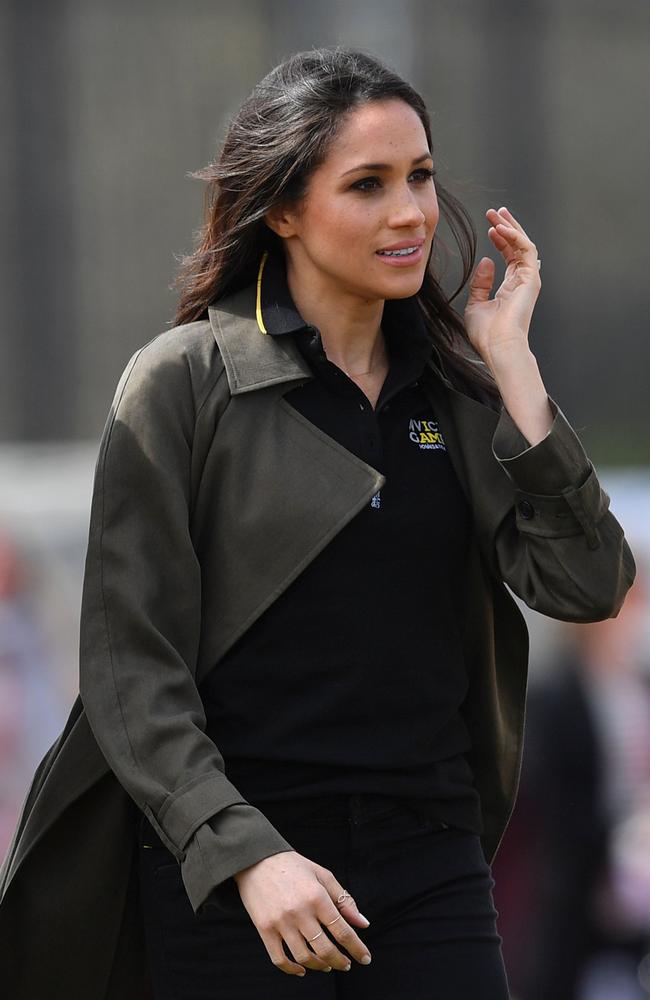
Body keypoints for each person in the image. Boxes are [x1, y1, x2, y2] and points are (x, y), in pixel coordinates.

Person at [0, 47, 635, 1000]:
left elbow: (588, 586)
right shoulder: (181, 383)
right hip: (237, 870)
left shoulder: (458, 385)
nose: (411, 211)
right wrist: (247, 855)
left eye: (420, 176)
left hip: (431, 863)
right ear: (285, 210)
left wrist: (516, 375)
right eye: (368, 185)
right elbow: (134, 674)